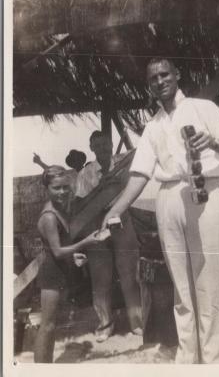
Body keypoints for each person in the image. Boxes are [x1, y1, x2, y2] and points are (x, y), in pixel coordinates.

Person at [102, 58, 219, 363]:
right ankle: (188, 359)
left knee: (208, 284)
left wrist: (214, 142)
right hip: (168, 198)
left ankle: (214, 361)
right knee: (181, 286)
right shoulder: (152, 126)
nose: (160, 80)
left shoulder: (204, 108)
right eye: (153, 78)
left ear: (177, 75)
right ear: (148, 85)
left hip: (205, 193)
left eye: (165, 74)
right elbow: (139, 175)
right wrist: (113, 212)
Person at [76, 131, 142, 342]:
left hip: (123, 223)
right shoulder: (85, 174)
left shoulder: (125, 166)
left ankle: (137, 322)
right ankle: (105, 324)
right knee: (100, 279)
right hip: (97, 228)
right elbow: (80, 204)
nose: (103, 149)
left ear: (112, 145)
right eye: (98, 146)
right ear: (91, 148)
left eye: (106, 145)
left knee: (130, 275)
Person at [34, 165, 99, 363]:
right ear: (47, 189)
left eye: (65, 187)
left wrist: (74, 256)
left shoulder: (60, 209)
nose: (62, 192)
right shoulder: (50, 217)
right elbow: (57, 251)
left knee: (52, 325)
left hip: (60, 271)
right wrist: (86, 242)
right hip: (52, 274)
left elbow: (62, 248)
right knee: (47, 325)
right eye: (56, 188)